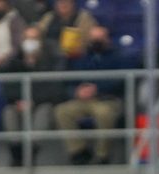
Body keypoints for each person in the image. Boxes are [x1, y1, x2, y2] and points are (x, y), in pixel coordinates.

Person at [53, 25, 124, 165]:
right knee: (61, 111)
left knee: (103, 113)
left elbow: (121, 80)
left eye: (100, 38)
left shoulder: (118, 56)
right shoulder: (82, 57)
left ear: (107, 39)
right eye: (94, 38)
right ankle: (78, 151)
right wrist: (76, 91)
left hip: (107, 99)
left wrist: (97, 88)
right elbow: (69, 80)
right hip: (83, 100)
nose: (96, 41)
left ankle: (102, 155)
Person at [0, 25, 65, 166]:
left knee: (43, 115)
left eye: (34, 38)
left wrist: (33, 101)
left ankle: (31, 155)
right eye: (27, 39)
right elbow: (7, 84)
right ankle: (17, 156)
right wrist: (18, 100)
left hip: (42, 103)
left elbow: (53, 87)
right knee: (8, 113)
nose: (31, 42)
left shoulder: (49, 60)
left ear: (40, 41)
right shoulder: (15, 60)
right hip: (19, 103)